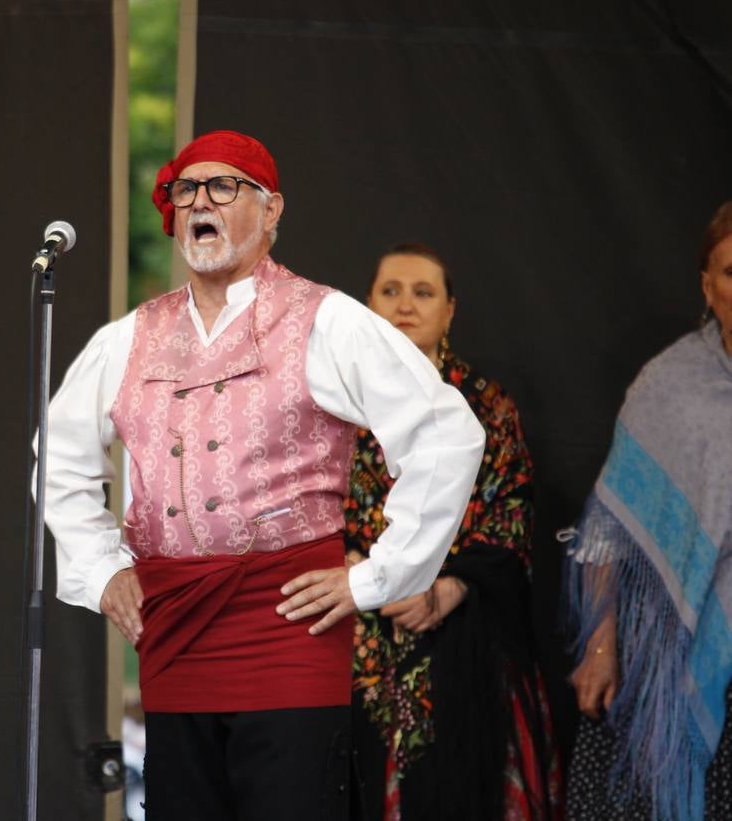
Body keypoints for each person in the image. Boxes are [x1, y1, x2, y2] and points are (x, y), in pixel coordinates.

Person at [41, 130, 485, 819]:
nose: (200, 202)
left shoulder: (325, 319)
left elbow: (445, 433)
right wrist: (102, 570)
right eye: (187, 189)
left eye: (223, 186)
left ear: (271, 210)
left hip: (286, 623)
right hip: (175, 624)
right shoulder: (131, 336)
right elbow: (58, 459)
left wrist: (377, 576)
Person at [344, 244, 562, 820]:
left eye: (423, 292)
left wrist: (448, 588)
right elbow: (303, 508)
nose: (405, 305)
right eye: (390, 291)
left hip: (462, 635)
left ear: (450, 310)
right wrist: (362, 573)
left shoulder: (487, 406)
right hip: (354, 636)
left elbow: (511, 513)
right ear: (368, 304)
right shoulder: (334, 404)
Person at [563, 202, 732, 821]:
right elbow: (609, 529)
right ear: (708, 287)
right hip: (661, 652)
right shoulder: (667, 385)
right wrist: (601, 646)